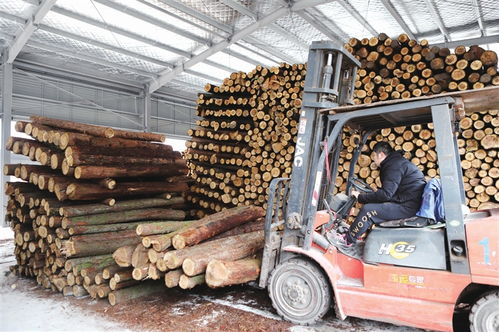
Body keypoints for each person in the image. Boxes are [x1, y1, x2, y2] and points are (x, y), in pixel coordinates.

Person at [336, 141, 426, 247]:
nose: (373, 159)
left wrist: (360, 197)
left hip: (408, 206)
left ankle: (347, 240)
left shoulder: (393, 166)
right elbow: (390, 192)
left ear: (381, 155)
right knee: (372, 207)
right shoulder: (397, 162)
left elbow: (386, 194)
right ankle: (353, 234)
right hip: (407, 202)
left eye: (374, 155)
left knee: (367, 211)